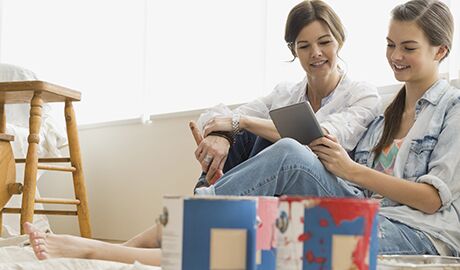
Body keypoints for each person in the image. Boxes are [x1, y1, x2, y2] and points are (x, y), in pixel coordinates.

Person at [196, 0, 459, 256]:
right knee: (282, 152)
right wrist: (224, 132)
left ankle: (190, 219)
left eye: (408, 48)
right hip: (368, 208)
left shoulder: (451, 109)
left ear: (440, 51)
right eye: (390, 45)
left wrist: (350, 169)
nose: (396, 56)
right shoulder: (385, 114)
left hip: (418, 230)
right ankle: (194, 216)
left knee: (286, 233)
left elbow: (432, 199)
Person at [194, 0, 381, 187]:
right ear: (294, 50)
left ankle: (210, 197)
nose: (316, 53)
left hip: (327, 186)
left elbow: (316, 137)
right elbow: (214, 118)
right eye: (304, 46)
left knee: (279, 140)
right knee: (241, 134)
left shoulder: (362, 95)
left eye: (324, 42)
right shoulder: (284, 93)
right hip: (278, 185)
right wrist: (222, 136)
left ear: (339, 41)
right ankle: (210, 191)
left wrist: (241, 121)